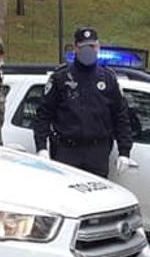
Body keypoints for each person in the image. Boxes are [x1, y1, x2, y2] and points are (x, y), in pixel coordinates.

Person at [33, 27, 137, 177]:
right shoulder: (61, 78)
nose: (89, 50)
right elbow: (43, 114)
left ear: (98, 47)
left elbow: (121, 116)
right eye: (83, 47)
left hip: (97, 153)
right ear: (75, 48)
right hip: (66, 151)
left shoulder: (107, 78)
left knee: (97, 198)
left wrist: (124, 151)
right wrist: (41, 147)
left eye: (92, 46)